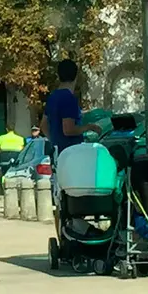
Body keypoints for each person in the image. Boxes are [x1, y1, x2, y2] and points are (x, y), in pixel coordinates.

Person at [40, 59, 102, 236]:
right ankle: (77, 232)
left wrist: (54, 140)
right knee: (74, 195)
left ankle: (62, 238)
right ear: (76, 76)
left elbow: (43, 125)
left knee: (60, 199)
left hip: (58, 153)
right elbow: (69, 129)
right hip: (71, 155)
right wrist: (89, 127)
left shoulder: (53, 97)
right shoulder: (69, 99)